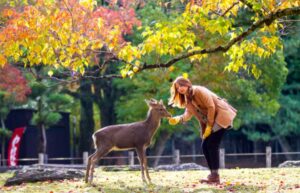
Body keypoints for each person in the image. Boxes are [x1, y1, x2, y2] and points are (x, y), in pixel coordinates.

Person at [168, 76, 237, 184]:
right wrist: (179, 119)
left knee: (212, 145)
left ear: (187, 84)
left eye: (181, 85)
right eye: (177, 88)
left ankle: (214, 176)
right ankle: (213, 175)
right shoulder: (188, 99)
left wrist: (209, 126)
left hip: (221, 116)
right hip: (211, 120)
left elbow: (211, 107)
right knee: (205, 146)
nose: (180, 89)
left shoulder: (198, 91)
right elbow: (188, 114)